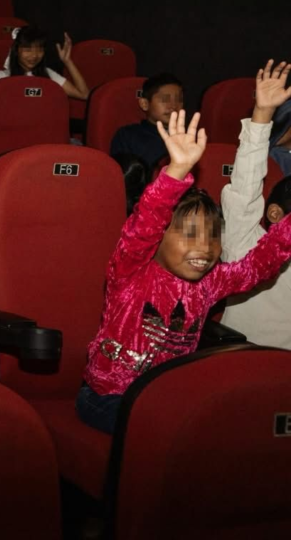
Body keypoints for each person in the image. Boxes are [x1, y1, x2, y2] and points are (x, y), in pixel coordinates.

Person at [77, 109, 291, 435]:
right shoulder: (132, 271)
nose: (204, 247)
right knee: (163, 431)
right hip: (108, 396)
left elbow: (258, 265)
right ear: (159, 238)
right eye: (189, 235)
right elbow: (144, 225)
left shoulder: (210, 283)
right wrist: (176, 171)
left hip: (166, 397)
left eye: (212, 236)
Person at [220, 60, 291, 349]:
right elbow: (245, 189)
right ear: (275, 214)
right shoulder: (247, 245)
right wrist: (262, 115)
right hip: (245, 361)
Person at [0, 25, 89, 106]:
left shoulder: (48, 75)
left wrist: (67, 61)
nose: (34, 56)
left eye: (39, 50)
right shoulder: (1, 77)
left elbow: (84, 94)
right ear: (16, 51)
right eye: (28, 50)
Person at [110, 72, 185, 169]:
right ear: (144, 104)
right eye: (165, 99)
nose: (173, 106)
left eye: (179, 100)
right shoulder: (127, 136)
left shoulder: (187, 137)